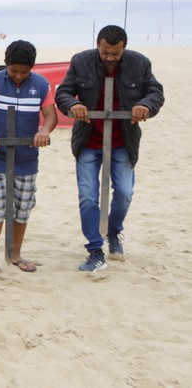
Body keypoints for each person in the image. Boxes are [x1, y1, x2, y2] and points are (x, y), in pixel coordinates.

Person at [55, 25, 164, 272]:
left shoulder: (140, 63)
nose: (110, 58)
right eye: (106, 52)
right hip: (88, 142)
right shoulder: (81, 61)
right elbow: (63, 93)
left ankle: (113, 232)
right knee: (88, 196)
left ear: (124, 48)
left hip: (123, 142)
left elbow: (156, 92)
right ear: (98, 45)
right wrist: (74, 104)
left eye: (115, 53)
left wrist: (145, 105)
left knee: (124, 192)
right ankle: (95, 248)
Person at [0, 41, 58, 278]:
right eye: (13, 71)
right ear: (5, 64)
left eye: (24, 72)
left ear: (32, 68)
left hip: (27, 156)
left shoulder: (40, 84)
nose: (18, 76)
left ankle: (15, 254)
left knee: (23, 205)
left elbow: (50, 115)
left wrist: (45, 131)